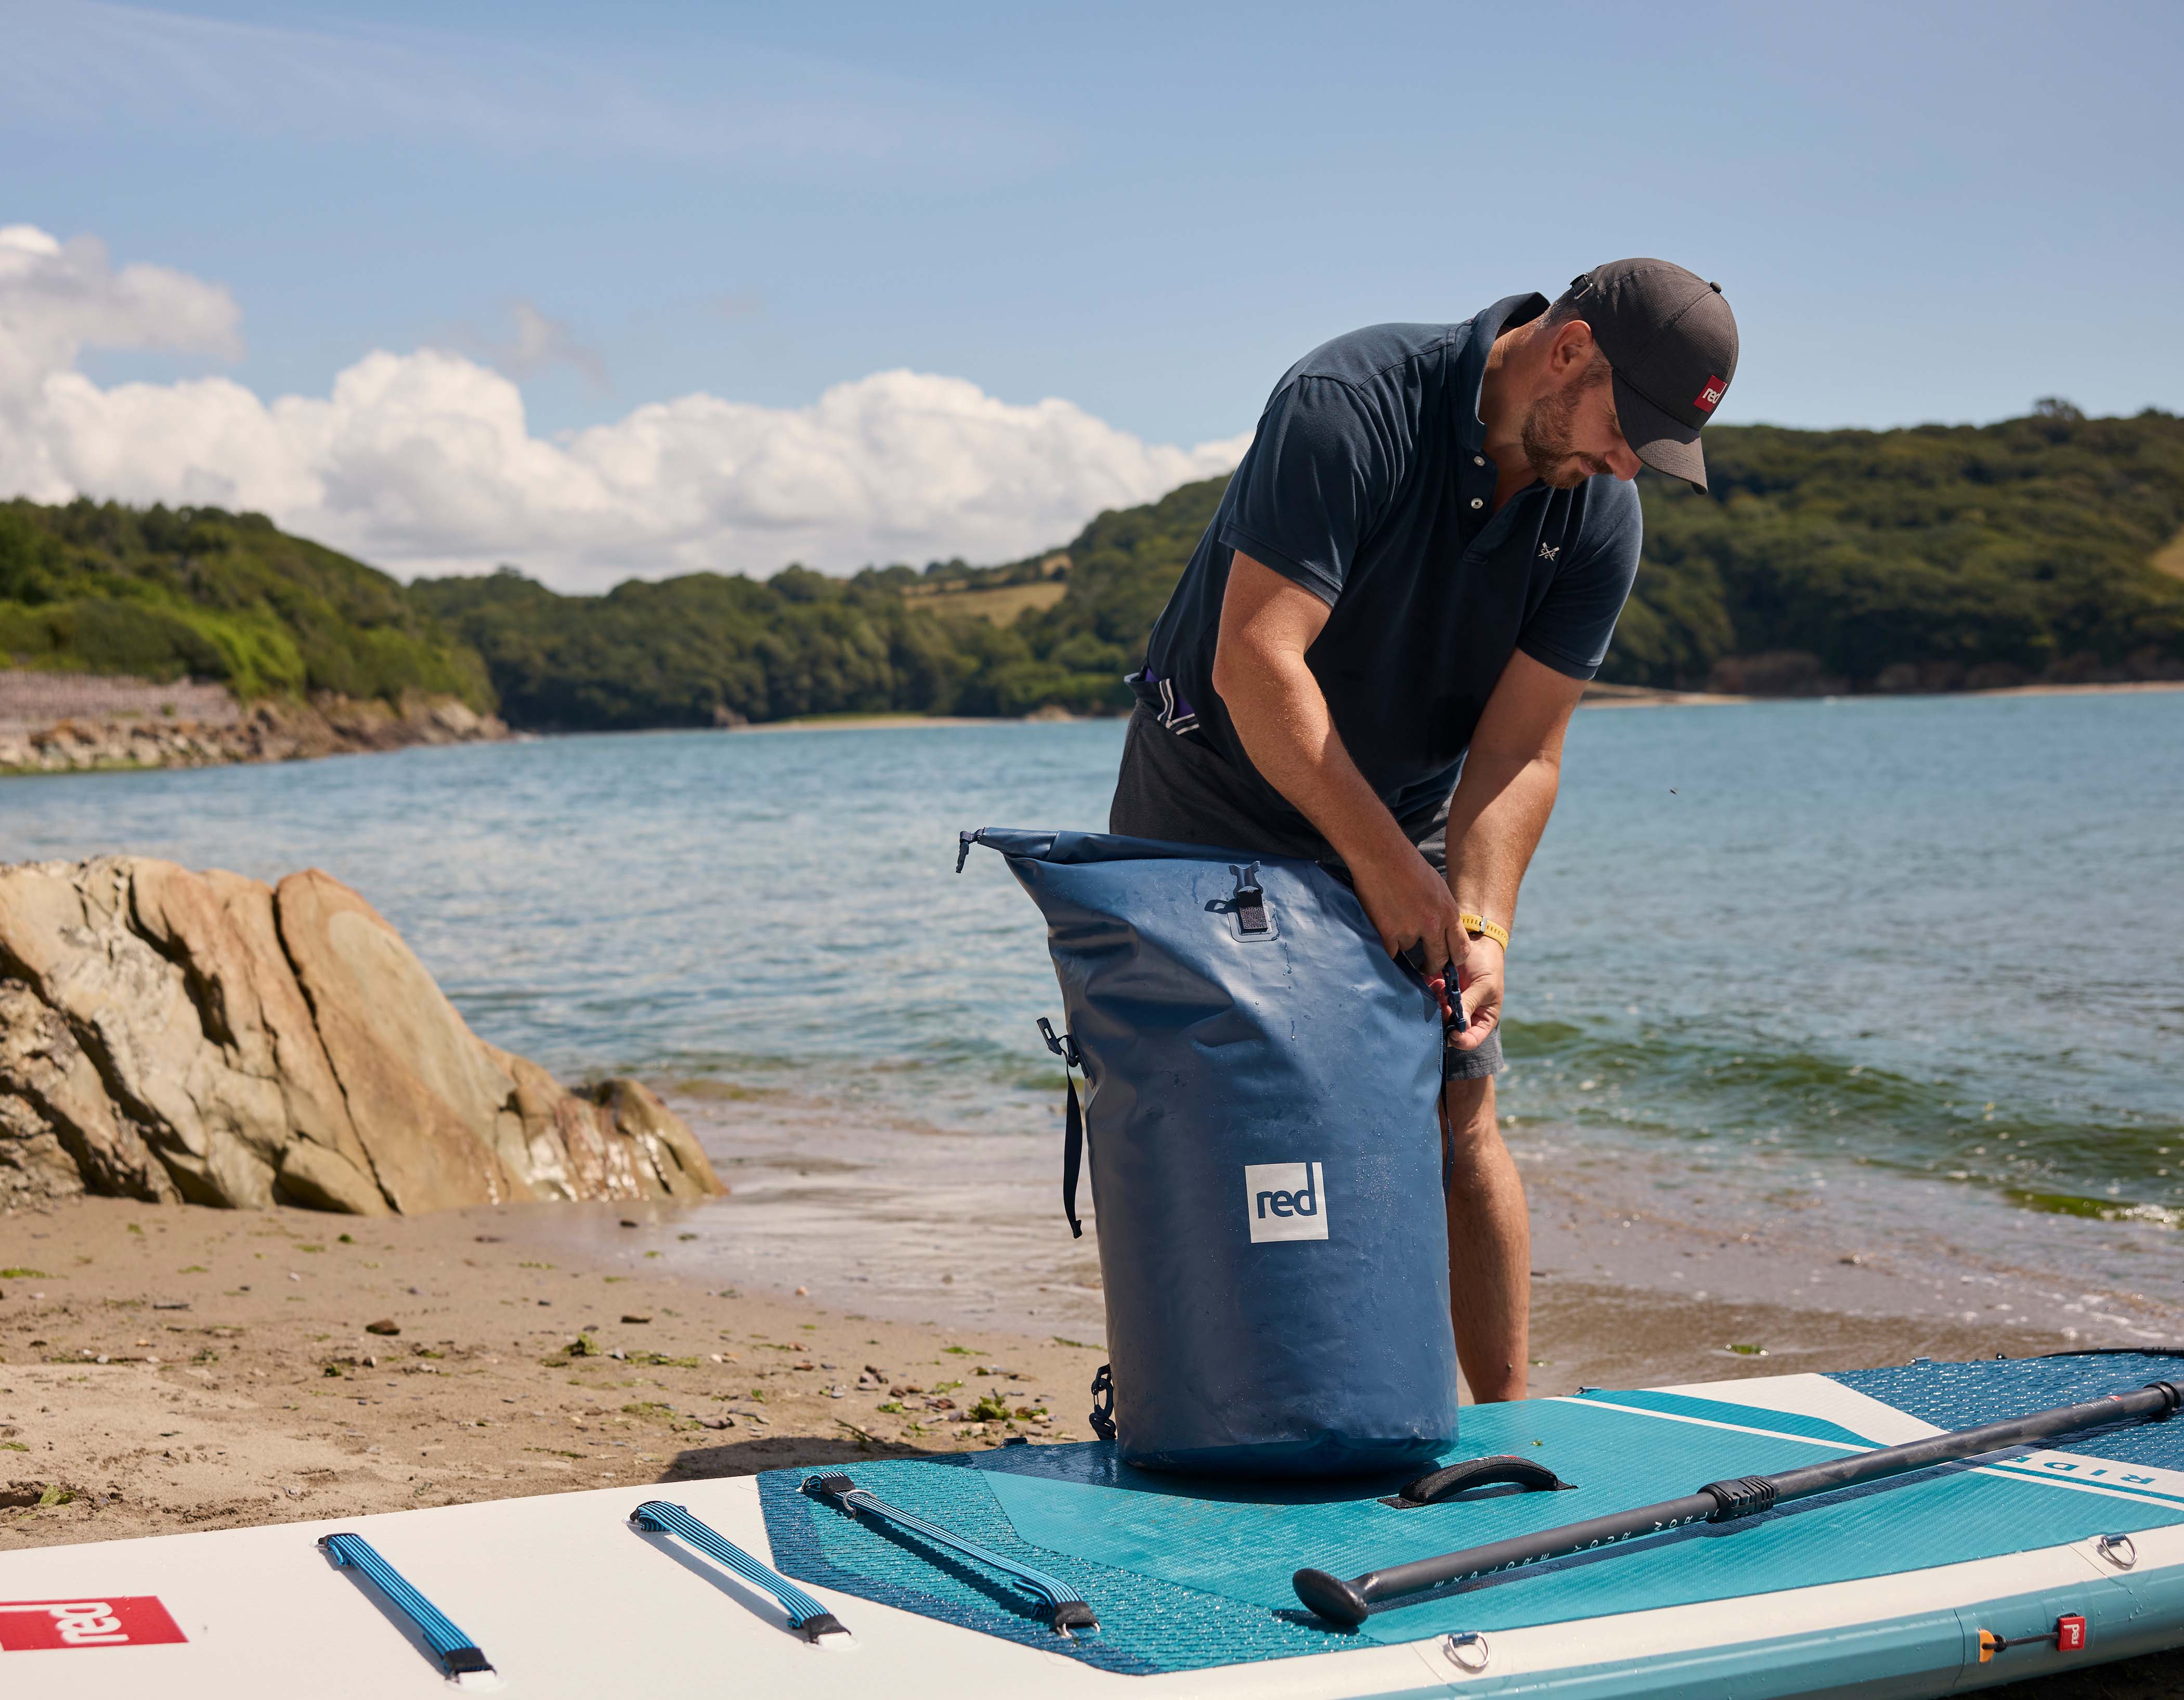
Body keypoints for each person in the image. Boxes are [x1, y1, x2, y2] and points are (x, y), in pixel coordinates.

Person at [1110, 259, 1740, 1401]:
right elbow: (1255, 660)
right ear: (1569, 351)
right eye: (1623, 425)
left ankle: (1513, 1427)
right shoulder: (1349, 402)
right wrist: (1386, 869)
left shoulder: (1601, 515)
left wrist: (1483, 918)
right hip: (1207, 785)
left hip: (1399, 812)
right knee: (1201, 1111)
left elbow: (1521, 753)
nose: (1623, 460)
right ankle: (1203, 1399)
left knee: (1460, 1102)